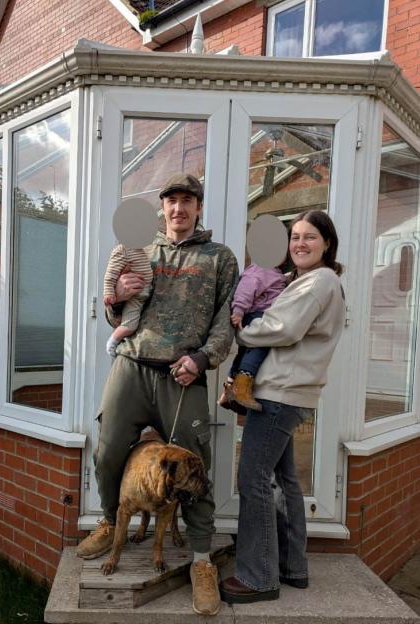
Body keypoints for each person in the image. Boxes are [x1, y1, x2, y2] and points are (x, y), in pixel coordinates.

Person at [76, 173, 239, 616]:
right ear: (162, 208)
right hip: (131, 365)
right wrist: (115, 298)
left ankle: (202, 563)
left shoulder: (220, 258)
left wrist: (203, 360)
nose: (178, 209)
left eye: (187, 201)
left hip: (182, 375)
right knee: (108, 450)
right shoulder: (140, 249)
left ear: (198, 208)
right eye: (171, 201)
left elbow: (226, 321)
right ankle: (111, 522)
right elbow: (117, 312)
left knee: (193, 467)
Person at [219, 210, 345, 604]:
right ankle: (292, 567)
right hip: (288, 391)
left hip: (279, 394)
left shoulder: (319, 281)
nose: (300, 244)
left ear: (327, 243)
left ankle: (258, 577)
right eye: (295, 237)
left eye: (310, 237)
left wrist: (241, 330)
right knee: (282, 480)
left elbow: (282, 328)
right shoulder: (307, 281)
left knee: (252, 478)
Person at [218, 262, 286, 412]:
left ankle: (229, 388)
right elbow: (246, 288)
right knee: (259, 348)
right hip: (258, 316)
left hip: (256, 315)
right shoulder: (263, 268)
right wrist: (239, 310)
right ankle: (241, 388)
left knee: (244, 353)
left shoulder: (273, 271)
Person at [103, 243, 153, 357]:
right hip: (136, 295)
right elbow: (111, 274)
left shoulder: (141, 248)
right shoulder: (123, 250)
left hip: (178, 361)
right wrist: (113, 296)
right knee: (129, 325)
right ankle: (112, 342)